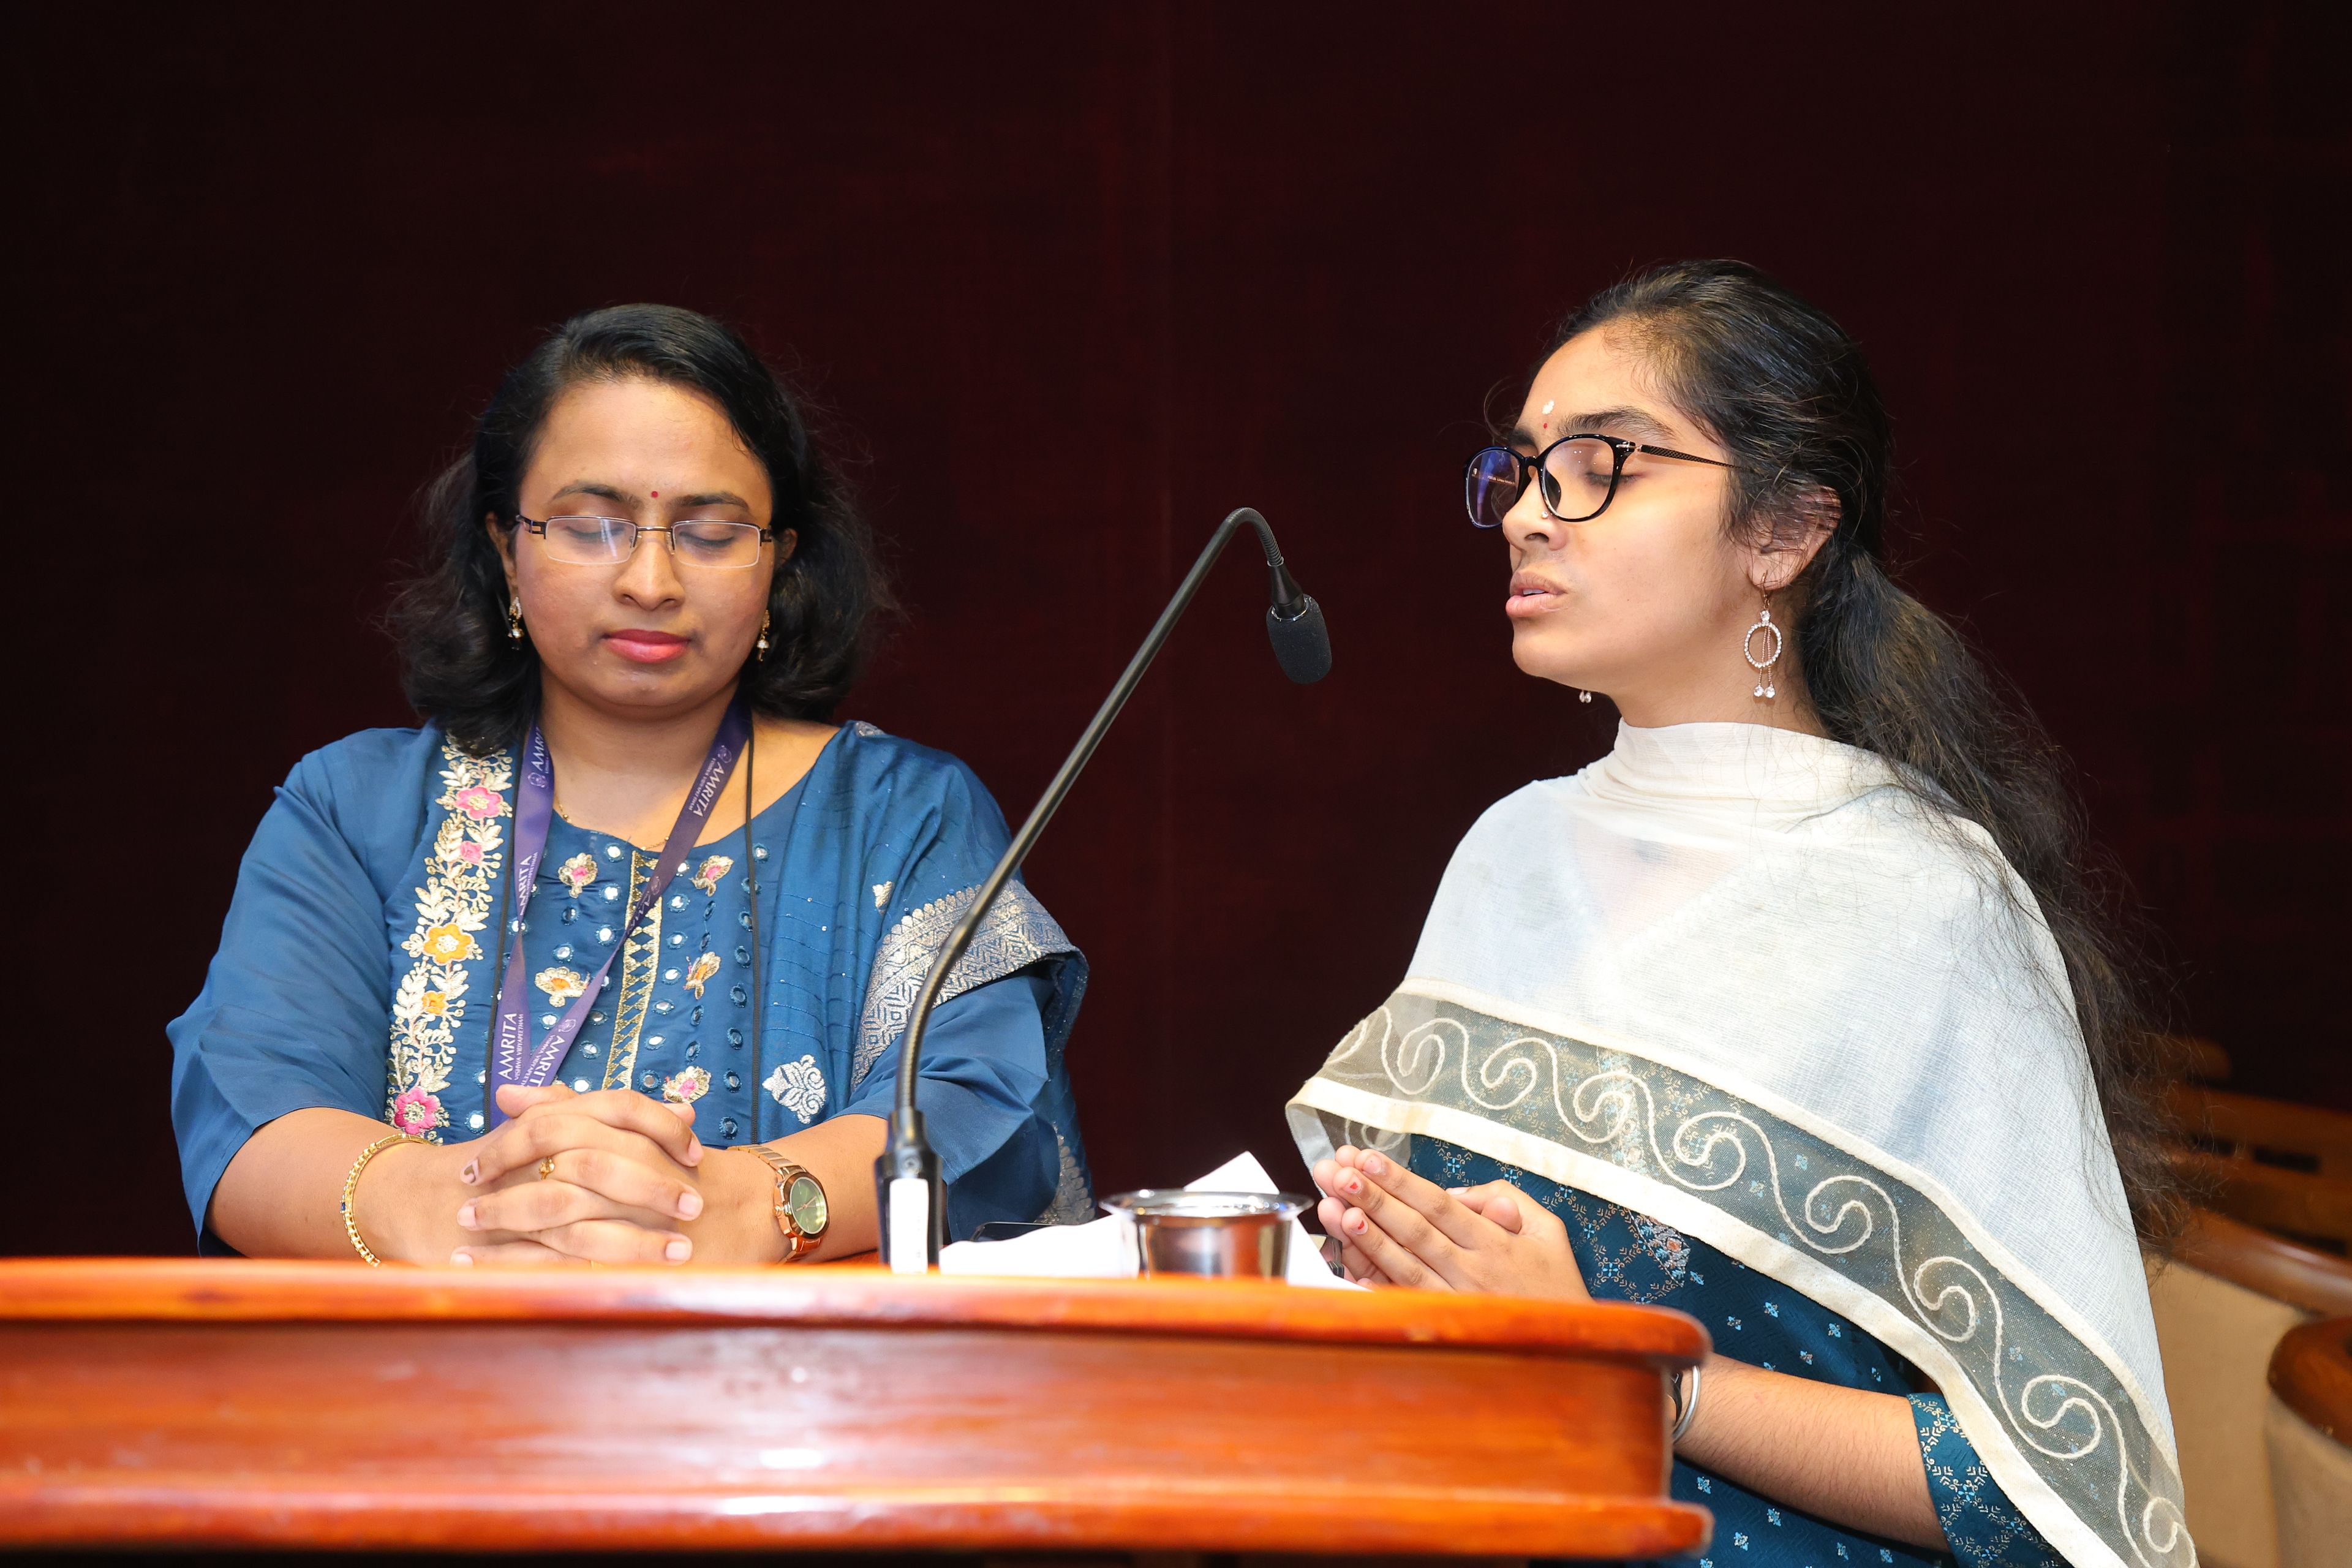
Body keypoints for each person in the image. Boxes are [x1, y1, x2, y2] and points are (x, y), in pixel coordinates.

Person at [1290, 262, 2190, 1568]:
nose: (1533, 516)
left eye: (1601, 463)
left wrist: (1642, 1374)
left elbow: (2041, 1489)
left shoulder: (1927, 901)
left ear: (1784, 532)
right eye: (1526, 469)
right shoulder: (1512, 850)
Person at [172, 304, 1091, 1267]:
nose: (650, 579)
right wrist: (455, 1212)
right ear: (504, 548)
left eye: (709, 532)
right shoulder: (355, 808)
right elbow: (249, 1106)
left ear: (778, 560)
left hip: (796, 1401)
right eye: (592, 525)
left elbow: (982, 1107)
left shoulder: (902, 814)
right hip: (418, 1394)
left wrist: (759, 1206)